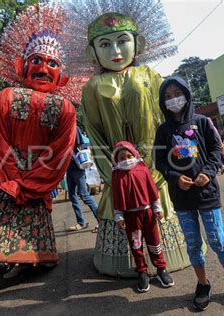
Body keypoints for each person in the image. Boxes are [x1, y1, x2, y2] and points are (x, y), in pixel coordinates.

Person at [0, 4, 77, 279]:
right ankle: (8, 258)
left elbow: (62, 149)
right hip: (9, 173)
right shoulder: (6, 96)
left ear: (62, 76)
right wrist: (12, 175)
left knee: (33, 217)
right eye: (37, 61)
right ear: (21, 66)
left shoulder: (65, 107)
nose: (44, 68)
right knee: (4, 215)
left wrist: (37, 179)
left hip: (38, 173)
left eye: (52, 63)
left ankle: (35, 258)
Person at [79, 12, 189, 277]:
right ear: (92, 52)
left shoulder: (149, 75)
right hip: (119, 168)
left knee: (156, 213)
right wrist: (111, 172)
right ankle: (135, 266)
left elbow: (166, 118)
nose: (115, 51)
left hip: (155, 163)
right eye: (105, 44)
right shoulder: (92, 87)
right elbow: (95, 133)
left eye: (122, 41)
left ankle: (163, 263)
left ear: (137, 44)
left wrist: (163, 161)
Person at [154, 76, 224, 311]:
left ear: (187, 94)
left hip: (207, 193)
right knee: (193, 245)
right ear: (162, 101)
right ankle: (202, 284)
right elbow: (159, 161)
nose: (173, 99)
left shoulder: (203, 122)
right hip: (181, 198)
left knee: (218, 241)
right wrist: (176, 178)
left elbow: (216, 151)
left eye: (177, 93)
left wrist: (208, 172)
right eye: (167, 96)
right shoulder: (163, 130)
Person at [112, 141, 174, 292]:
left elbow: (152, 191)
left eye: (129, 155)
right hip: (131, 217)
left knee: (154, 241)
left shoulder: (143, 170)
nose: (126, 159)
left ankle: (161, 269)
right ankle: (142, 272)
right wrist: (119, 217)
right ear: (116, 160)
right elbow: (116, 198)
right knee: (136, 244)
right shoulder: (117, 175)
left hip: (148, 213)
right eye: (121, 158)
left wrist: (157, 208)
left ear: (135, 154)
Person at [67, 127, 99, 232]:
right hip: (69, 167)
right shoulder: (61, 127)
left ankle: (102, 222)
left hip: (77, 167)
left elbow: (80, 145)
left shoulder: (74, 128)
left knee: (84, 195)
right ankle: (81, 222)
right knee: (72, 195)